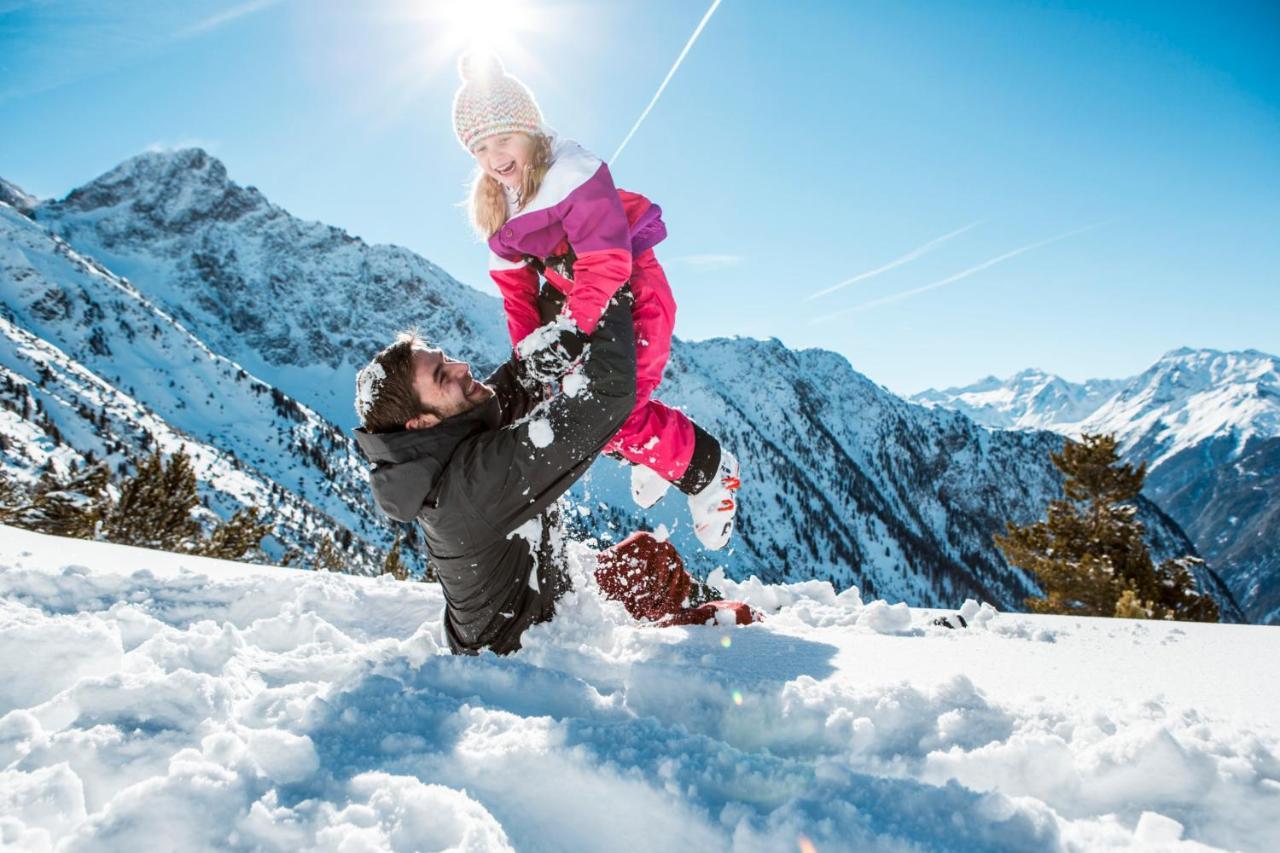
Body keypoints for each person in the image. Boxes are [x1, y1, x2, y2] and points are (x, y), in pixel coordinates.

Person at [352, 291, 756, 656]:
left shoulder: (445, 445)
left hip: (544, 605)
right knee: (736, 621)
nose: (460, 367)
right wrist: (607, 288)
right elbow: (606, 397)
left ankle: (696, 601)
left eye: (445, 359)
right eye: (443, 376)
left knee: (645, 556)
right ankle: (717, 617)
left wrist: (547, 350)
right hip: (529, 658)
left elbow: (511, 388)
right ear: (420, 424)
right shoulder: (472, 485)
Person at [451, 51, 740, 551]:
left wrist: (571, 330)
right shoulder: (499, 205)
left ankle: (710, 472)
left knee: (616, 412)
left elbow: (607, 261)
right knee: (589, 412)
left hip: (634, 297)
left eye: (502, 139)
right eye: (479, 148)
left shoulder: (573, 174)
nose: (494, 157)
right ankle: (653, 455)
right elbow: (517, 295)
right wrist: (532, 356)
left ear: (530, 131)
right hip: (580, 313)